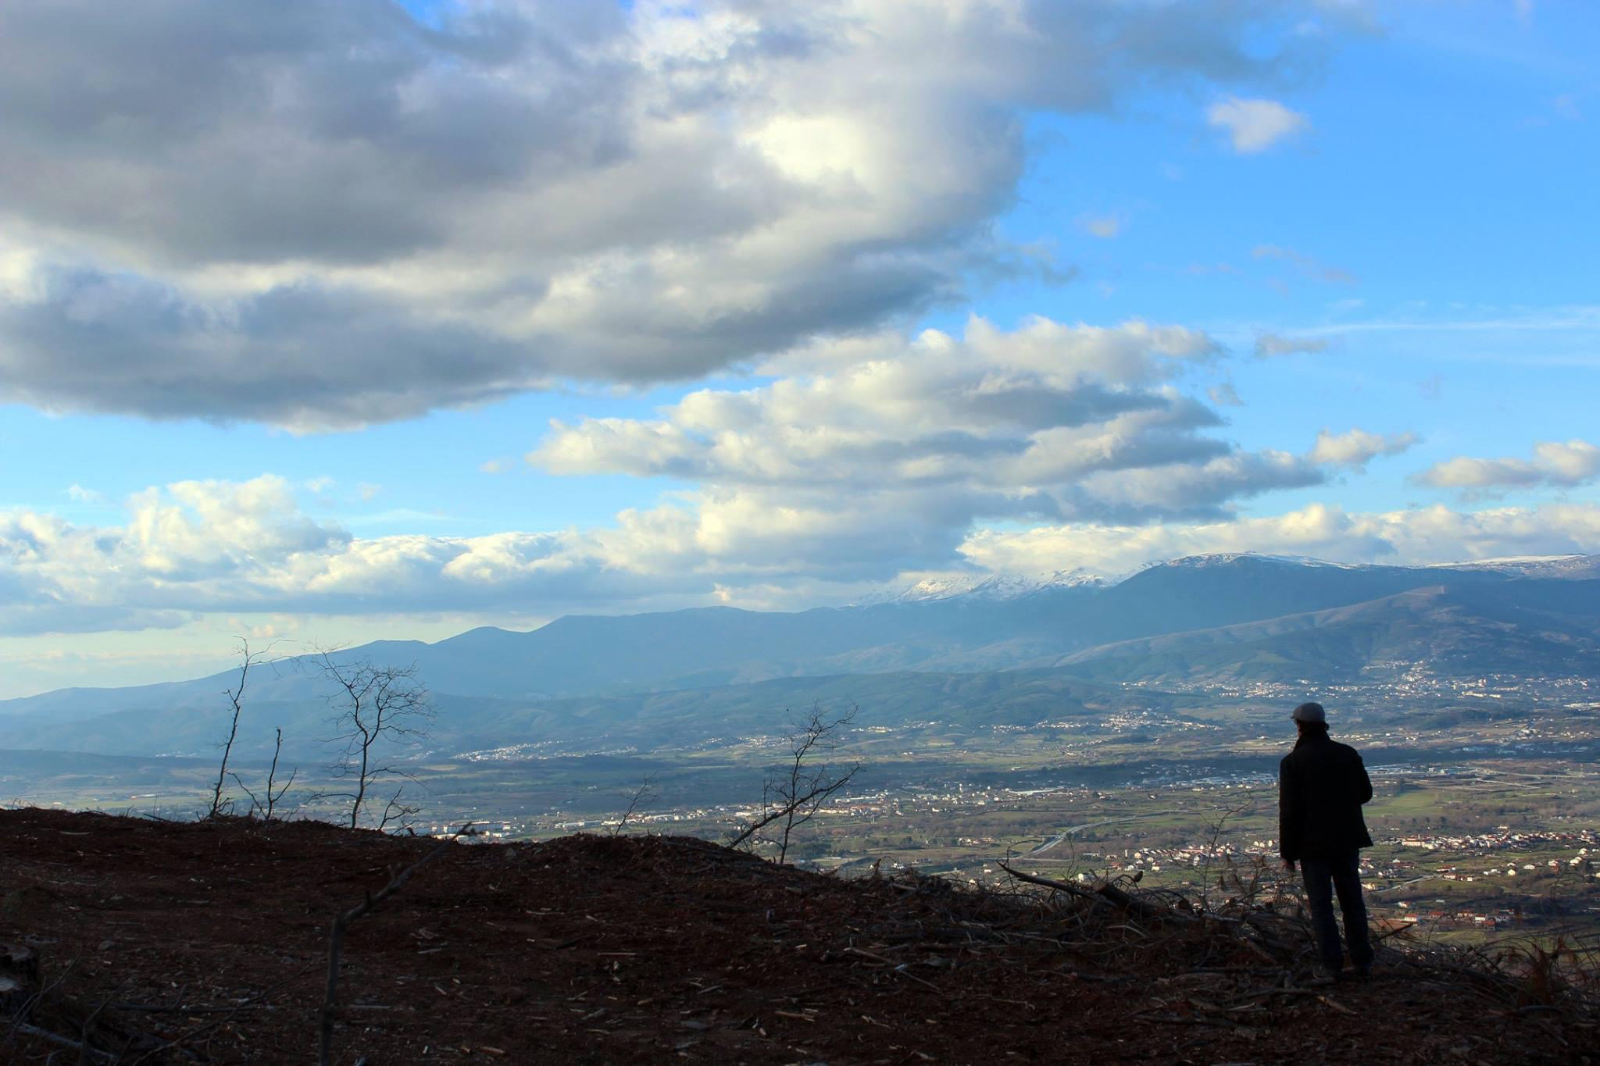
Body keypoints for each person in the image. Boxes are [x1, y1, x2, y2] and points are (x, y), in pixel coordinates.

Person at [1279, 701, 1375, 980]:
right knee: (1352, 901)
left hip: (1312, 846)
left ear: (1298, 726)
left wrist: (1288, 853)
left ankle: (1330, 965)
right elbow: (1365, 794)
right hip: (1347, 839)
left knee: (1321, 906)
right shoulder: (1347, 754)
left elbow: (1289, 812)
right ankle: (1361, 961)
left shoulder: (1293, 763)